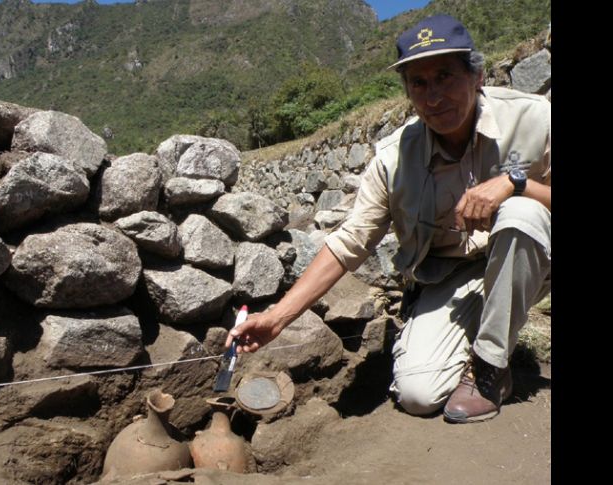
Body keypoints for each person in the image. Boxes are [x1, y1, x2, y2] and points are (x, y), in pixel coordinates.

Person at [225, 14, 551, 424]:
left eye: (446, 76)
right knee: (418, 394)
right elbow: (349, 244)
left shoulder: (534, 119)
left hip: (536, 263)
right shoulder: (394, 159)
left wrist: (515, 182)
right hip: (451, 278)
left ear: (477, 76)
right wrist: (276, 317)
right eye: (419, 83)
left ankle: (489, 367)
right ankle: (485, 334)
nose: (433, 96)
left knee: (522, 212)